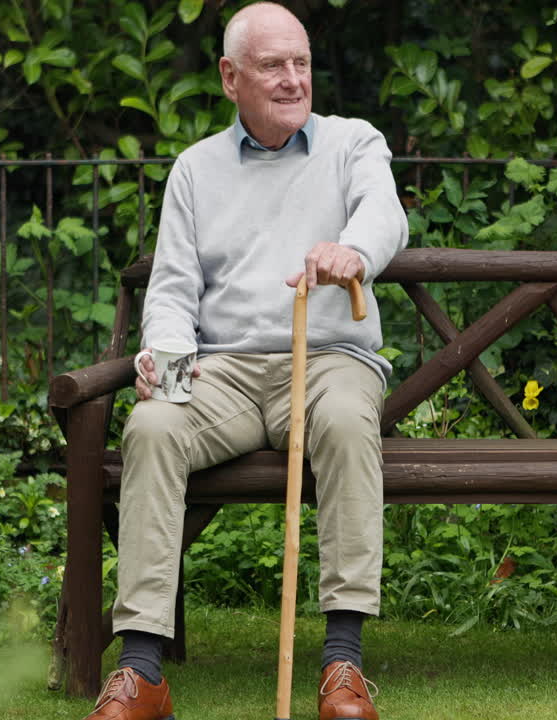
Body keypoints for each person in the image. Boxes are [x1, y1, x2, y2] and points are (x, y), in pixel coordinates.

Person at [81, 3, 407, 720]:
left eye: (302, 63)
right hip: (222, 370)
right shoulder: (196, 170)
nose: (293, 80)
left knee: (351, 424)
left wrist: (351, 249)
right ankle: (142, 673)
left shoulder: (353, 143)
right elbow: (169, 293)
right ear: (231, 77)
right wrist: (162, 359)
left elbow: (385, 214)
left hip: (326, 360)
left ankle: (343, 666)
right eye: (272, 66)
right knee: (150, 429)